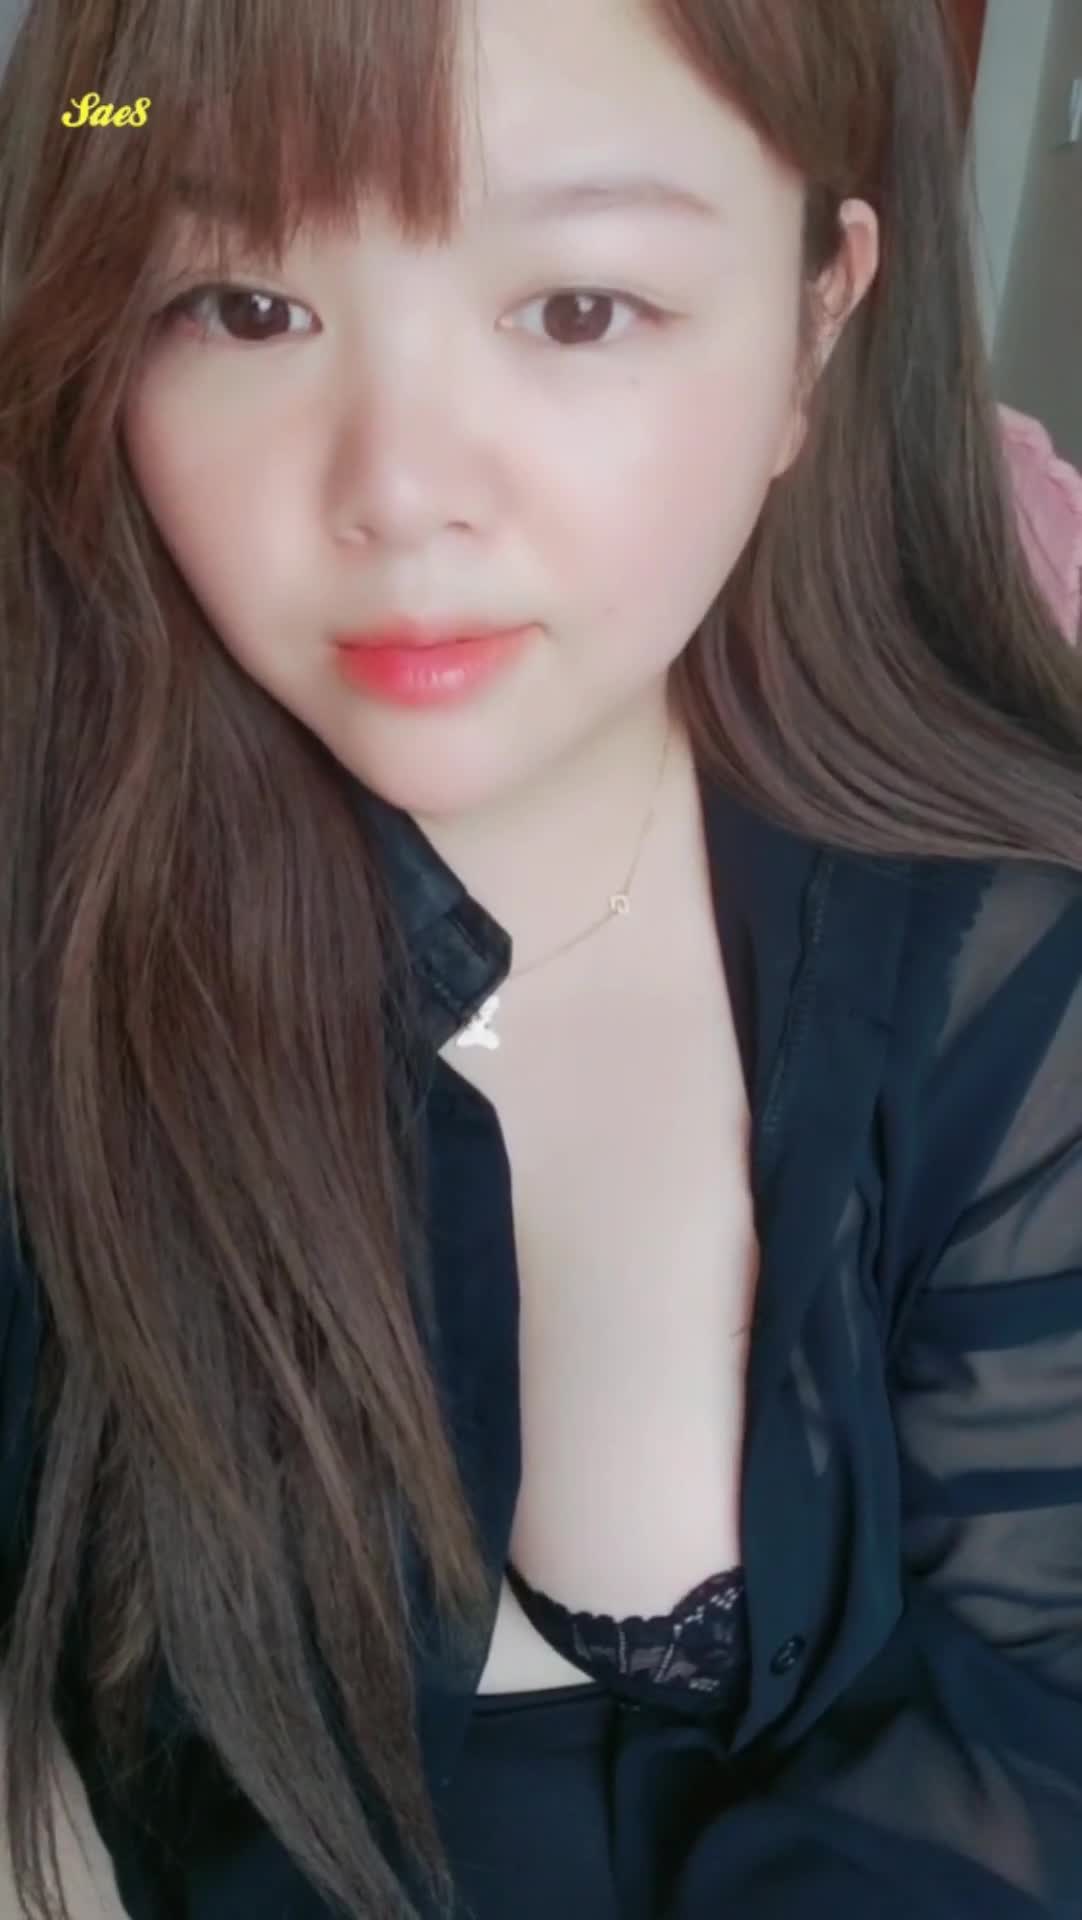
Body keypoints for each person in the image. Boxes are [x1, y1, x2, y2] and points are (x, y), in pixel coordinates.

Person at [0, 0, 1080, 1916]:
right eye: (245, 305)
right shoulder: (51, 930)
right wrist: (101, 109)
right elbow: (96, 113)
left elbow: (1036, 1718)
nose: (399, 489)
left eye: (579, 309)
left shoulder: (1006, 983)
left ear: (815, 327)